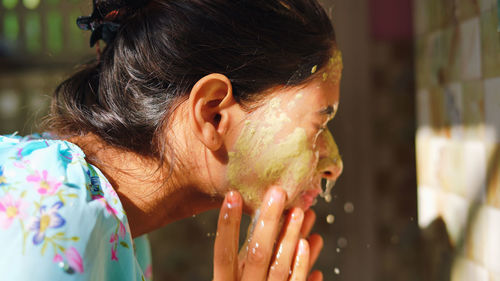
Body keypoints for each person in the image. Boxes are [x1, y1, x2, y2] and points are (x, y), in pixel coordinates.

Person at [0, 0, 343, 280]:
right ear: (213, 114)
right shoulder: (60, 222)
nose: (335, 165)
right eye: (319, 122)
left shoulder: (116, 229)